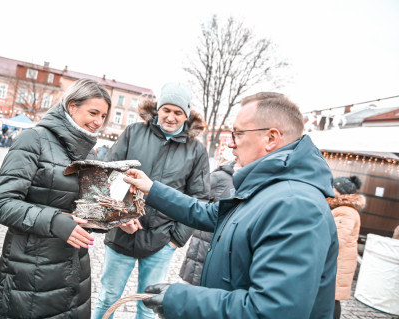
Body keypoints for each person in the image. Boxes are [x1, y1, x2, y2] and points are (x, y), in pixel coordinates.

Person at [124, 92, 338, 318]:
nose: (230, 143)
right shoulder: (267, 188)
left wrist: (181, 300)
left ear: (270, 138)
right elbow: (205, 213)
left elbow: (272, 311)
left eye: (237, 133)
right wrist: (151, 188)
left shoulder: (295, 205)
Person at [0, 79, 111, 318]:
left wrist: (115, 217)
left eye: (104, 116)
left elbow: (89, 210)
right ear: (72, 106)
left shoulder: (90, 151)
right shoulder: (33, 139)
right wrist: (54, 221)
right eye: (93, 112)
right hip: (31, 268)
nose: (99, 122)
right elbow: (0, 203)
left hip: (74, 267)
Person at [93, 82, 210, 319]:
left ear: (186, 115)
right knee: (107, 298)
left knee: (148, 306)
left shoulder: (196, 150)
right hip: (121, 234)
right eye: (166, 109)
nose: (171, 116)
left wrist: (176, 239)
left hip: (161, 240)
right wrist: (120, 217)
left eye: (178, 112)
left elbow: (199, 197)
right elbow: (109, 174)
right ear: (158, 109)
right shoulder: (133, 132)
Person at [180, 159, 238, 285]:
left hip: (223, 254)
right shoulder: (220, 177)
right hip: (203, 248)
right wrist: (178, 237)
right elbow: (194, 202)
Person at [327, 176, 364, 319]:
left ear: (341, 192)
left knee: (332, 298)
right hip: (338, 262)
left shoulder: (345, 211)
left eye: (334, 188)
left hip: (339, 264)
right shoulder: (342, 209)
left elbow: (337, 239)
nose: (330, 190)